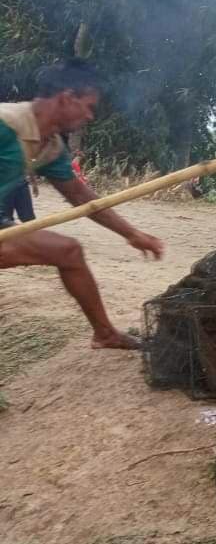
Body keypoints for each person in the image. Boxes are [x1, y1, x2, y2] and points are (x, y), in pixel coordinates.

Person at [0, 59, 164, 349]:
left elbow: (80, 196)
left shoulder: (50, 147)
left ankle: (105, 334)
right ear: (67, 97)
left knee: (68, 251)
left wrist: (132, 234)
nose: (89, 116)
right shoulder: (6, 124)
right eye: (88, 106)